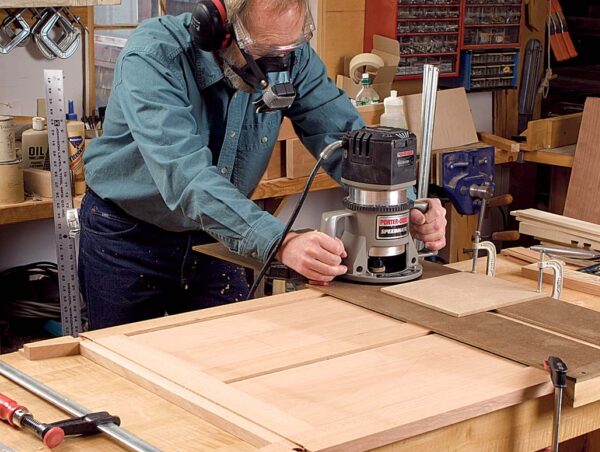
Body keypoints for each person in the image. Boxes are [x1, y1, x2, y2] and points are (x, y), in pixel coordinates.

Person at [79, 0, 447, 330]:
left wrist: (401, 207)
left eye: (288, 51)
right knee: (124, 369)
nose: (277, 69)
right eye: (264, 53)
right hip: (127, 235)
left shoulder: (290, 58)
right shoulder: (155, 56)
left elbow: (346, 141)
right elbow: (186, 177)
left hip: (219, 233)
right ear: (219, 31)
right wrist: (278, 242)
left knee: (233, 355)